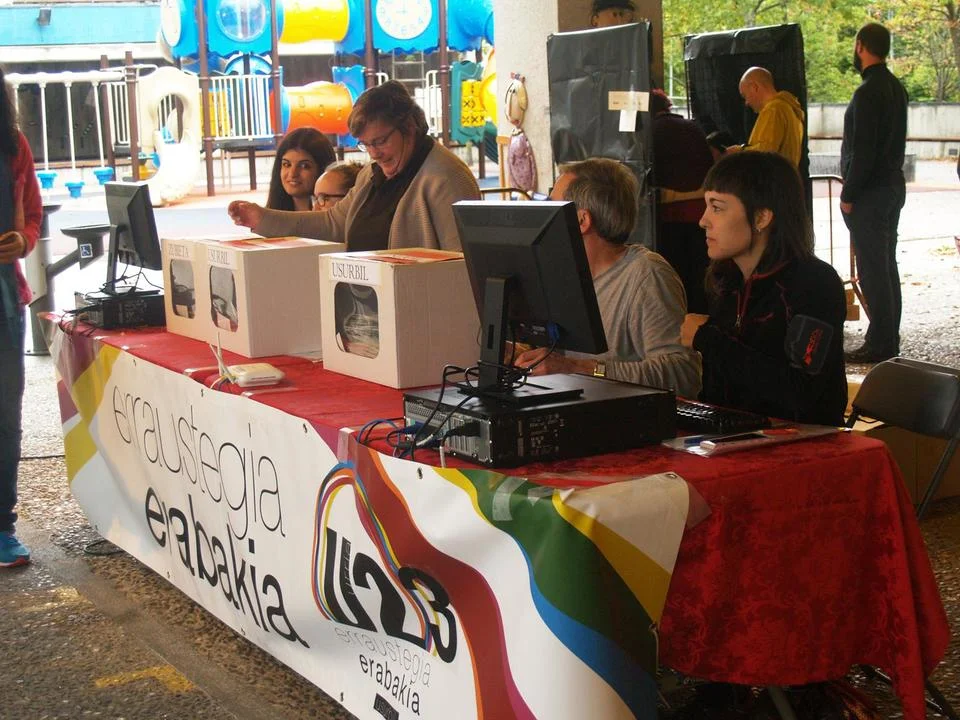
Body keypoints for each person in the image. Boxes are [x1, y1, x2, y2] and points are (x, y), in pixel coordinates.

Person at [681, 151, 847, 425]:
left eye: (717, 207)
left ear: (761, 217)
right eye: (706, 205)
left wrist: (708, 340)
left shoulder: (814, 283)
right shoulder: (726, 280)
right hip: (734, 438)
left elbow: (801, 395)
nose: (703, 220)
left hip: (805, 442)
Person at [516, 158, 702, 399]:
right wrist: (518, 355)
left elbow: (683, 375)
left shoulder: (646, 275)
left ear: (582, 221)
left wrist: (579, 368)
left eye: (553, 206)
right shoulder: (563, 277)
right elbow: (556, 360)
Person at [229, 81, 480, 251]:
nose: (374, 154)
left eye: (380, 141)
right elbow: (333, 224)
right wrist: (262, 218)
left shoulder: (446, 178)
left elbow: (464, 266)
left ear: (409, 128)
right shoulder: (371, 174)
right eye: (365, 145)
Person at [840, 22, 909, 364]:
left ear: (861, 46)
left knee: (873, 270)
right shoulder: (896, 88)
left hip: (870, 192)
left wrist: (848, 193)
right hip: (893, 185)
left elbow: (863, 151)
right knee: (885, 266)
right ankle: (887, 337)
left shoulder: (867, 92)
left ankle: (881, 342)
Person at [0, 66, 42, 567]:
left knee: (5, 417)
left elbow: (32, 215)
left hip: (4, 297)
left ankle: (2, 525)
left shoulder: (13, 144)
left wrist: (23, 240)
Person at [650, 89, 713, 314]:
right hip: (700, 213)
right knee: (699, 273)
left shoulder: (651, 132)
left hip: (669, 216)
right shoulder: (693, 127)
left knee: (676, 273)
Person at [728, 67, 804, 168]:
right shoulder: (790, 108)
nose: (746, 103)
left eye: (745, 96)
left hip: (772, 177)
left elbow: (765, 153)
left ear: (754, 87)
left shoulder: (773, 109)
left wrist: (739, 151)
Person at [266, 128, 336, 211]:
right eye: (287, 164)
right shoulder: (266, 216)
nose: (292, 174)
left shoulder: (338, 216)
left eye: (304, 166)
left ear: (323, 169)